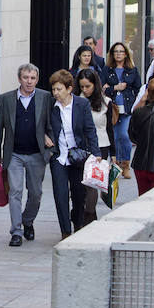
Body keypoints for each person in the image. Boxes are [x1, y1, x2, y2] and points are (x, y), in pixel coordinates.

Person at [0, 63, 54, 246]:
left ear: (37, 79)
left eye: (33, 78)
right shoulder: (6, 99)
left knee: (36, 193)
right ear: (19, 79)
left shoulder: (45, 97)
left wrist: (50, 146)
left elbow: (51, 124)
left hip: (36, 154)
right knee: (15, 191)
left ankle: (28, 221)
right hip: (14, 154)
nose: (29, 81)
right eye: (26, 77)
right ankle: (16, 231)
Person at [48, 70, 99, 237]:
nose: (55, 93)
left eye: (59, 89)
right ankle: (65, 231)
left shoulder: (81, 105)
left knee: (79, 194)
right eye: (53, 89)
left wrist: (96, 153)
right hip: (58, 157)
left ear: (69, 89)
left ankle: (77, 224)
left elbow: (90, 130)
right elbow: (39, 125)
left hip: (78, 157)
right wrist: (44, 138)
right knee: (60, 195)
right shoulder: (50, 106)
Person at [75, 69, 116, 224]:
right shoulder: (75, 101)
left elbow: (109, 129)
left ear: (95, 85)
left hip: (101, 145)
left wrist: (114, 153)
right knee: (79, 184)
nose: (85, 90)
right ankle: (80, 213)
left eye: (88, 86)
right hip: (79, 147)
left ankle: (89, 215)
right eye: (82, 86)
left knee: (92, 183)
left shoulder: (106, 102)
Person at [103, 42, 141, 180]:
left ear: (126, 54)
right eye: (116, 51)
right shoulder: (107, 69)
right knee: (114, 136)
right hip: (112, 108)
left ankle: (125, 163)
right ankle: (116, 164)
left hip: (126, 108)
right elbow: (102, 88)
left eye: (121, 51)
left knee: (124, 135)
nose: (118, 54)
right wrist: (114, 88)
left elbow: (138, 88)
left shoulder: (132, 70)